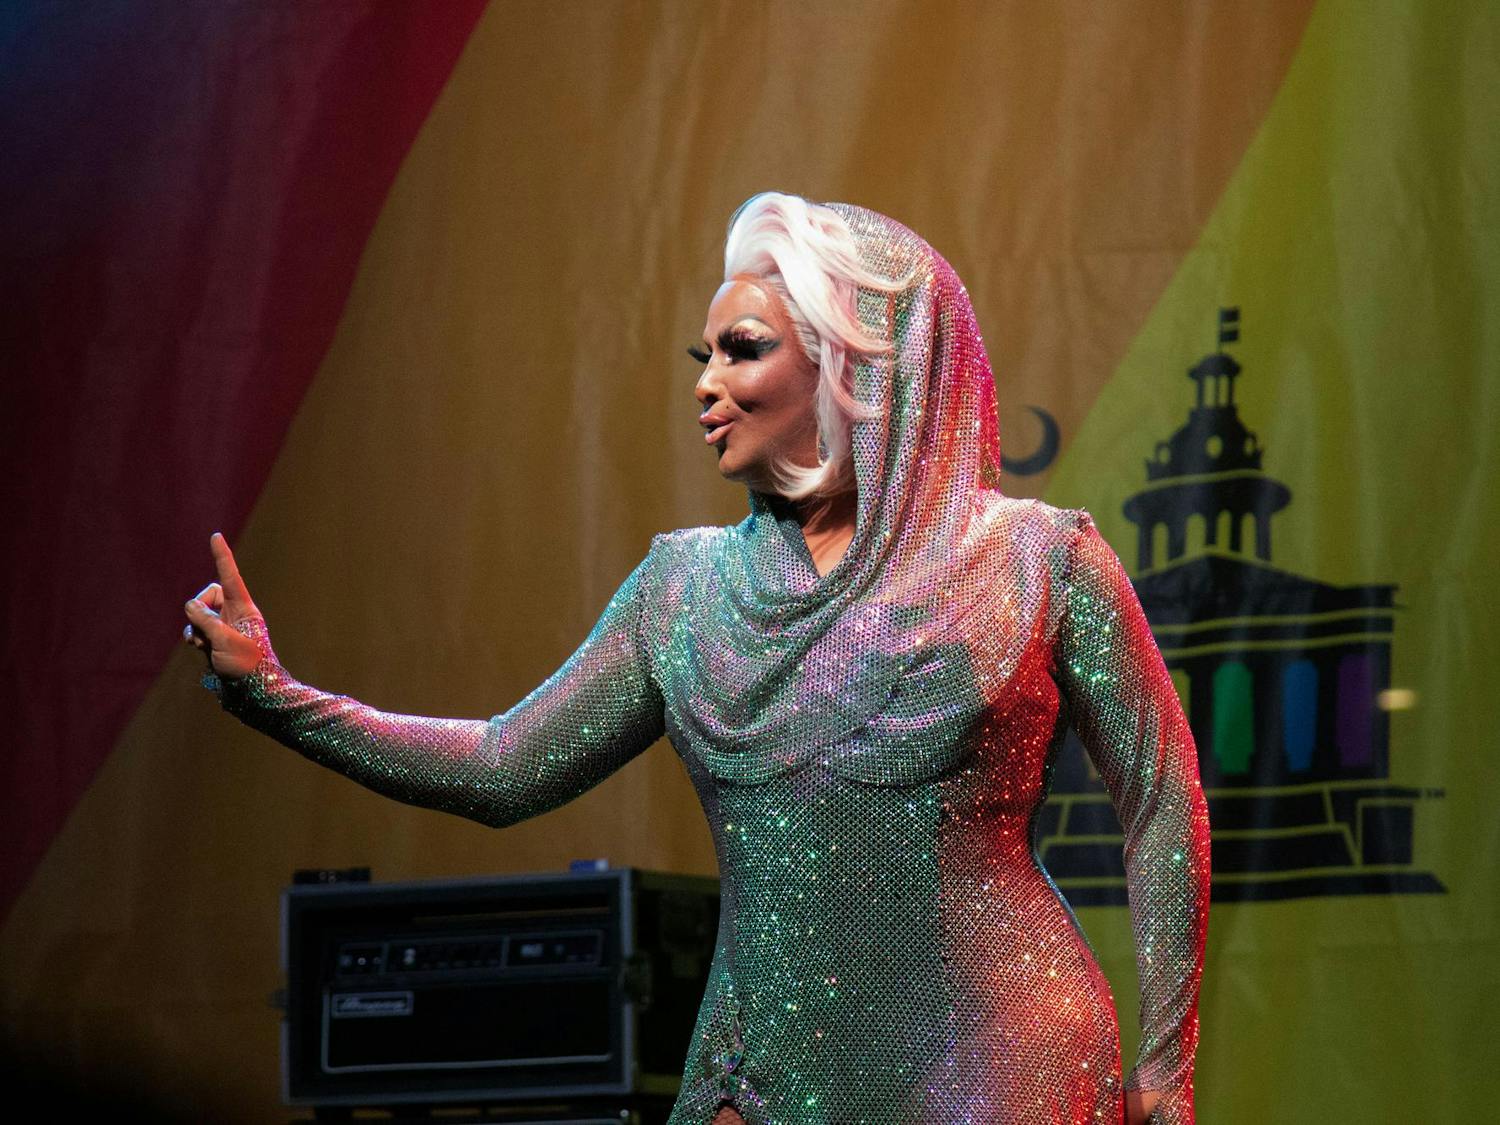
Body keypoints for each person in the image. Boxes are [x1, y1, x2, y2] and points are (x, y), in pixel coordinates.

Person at [184, 193, 1211, 1125]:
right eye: (703, 357)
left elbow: (1163, 797)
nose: (707, 385)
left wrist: (1164, 1070)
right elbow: (505, 767)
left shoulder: (1038, 560)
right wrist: (279, 698)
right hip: (762, 1066)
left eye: (742, 350)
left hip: (998, 1064)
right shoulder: (684, 589)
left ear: (850, 363)